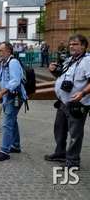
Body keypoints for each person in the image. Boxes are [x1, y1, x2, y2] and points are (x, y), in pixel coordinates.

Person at [44, 34, 90, 169]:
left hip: (78, 103)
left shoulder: (87, 60)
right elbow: (62, 77)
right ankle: (60, 153)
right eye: (70, 44)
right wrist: (53, 71)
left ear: (83, 45)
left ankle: (73, 161)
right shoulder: (70, 60)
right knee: (59, 129)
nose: (71, 46)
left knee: (75, 133)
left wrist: (82, 93)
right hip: (63, 102)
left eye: (75, 44)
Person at [0, 42, 27, 161]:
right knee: (12, 121)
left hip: (15, 97)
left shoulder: (13, 62)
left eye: (1, 50)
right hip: (9, 96)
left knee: (7, 123)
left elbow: (15, 81)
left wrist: (0, 93)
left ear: (8, 51)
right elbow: (2, 80)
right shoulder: (3, 63)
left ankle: (4, 151)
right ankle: (15, 146)